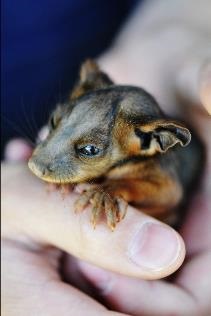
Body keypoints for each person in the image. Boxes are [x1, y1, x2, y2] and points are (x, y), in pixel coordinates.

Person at [2, 1, 211, 315]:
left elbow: (165, 193)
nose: (40, 160)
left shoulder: (149, 156)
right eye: (57, 125)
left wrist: (180, 28)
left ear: (151, 139)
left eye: (88, 150)